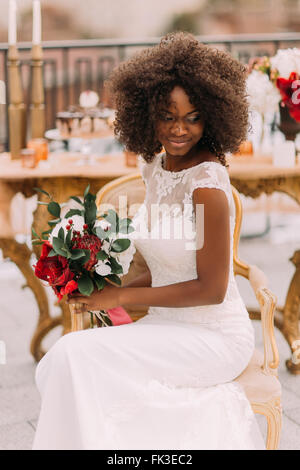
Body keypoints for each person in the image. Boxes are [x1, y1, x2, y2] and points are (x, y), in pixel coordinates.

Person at [32, 32, 265, 450]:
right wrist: (97, 289)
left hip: (212, 337)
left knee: (73, 358)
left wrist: (118, 297)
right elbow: (155, 269)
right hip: (165, 324)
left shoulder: (208, 184)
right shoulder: (154, 167)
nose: (179, 129)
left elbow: (211, 291)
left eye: (193, 117)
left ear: (212, 116)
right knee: (63, 361)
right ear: (146, 114)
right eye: (167, 115)